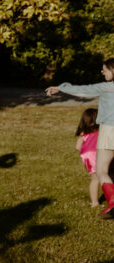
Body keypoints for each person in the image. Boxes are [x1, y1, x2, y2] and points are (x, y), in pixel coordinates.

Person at [47, 59, 114, 217]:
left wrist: (61, 88)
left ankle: (112, 202)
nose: (102, 72)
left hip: (109, 131)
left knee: (102, 170)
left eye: (105, 70)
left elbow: (84, 90)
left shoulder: (106, 88)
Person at [75, 108, 101, 207]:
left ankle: (94, 202)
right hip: (98, 153)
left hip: (87, 156)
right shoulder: (101, 130)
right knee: (106, 175)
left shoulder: (83, 133)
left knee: (95, 179)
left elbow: (77, 147)